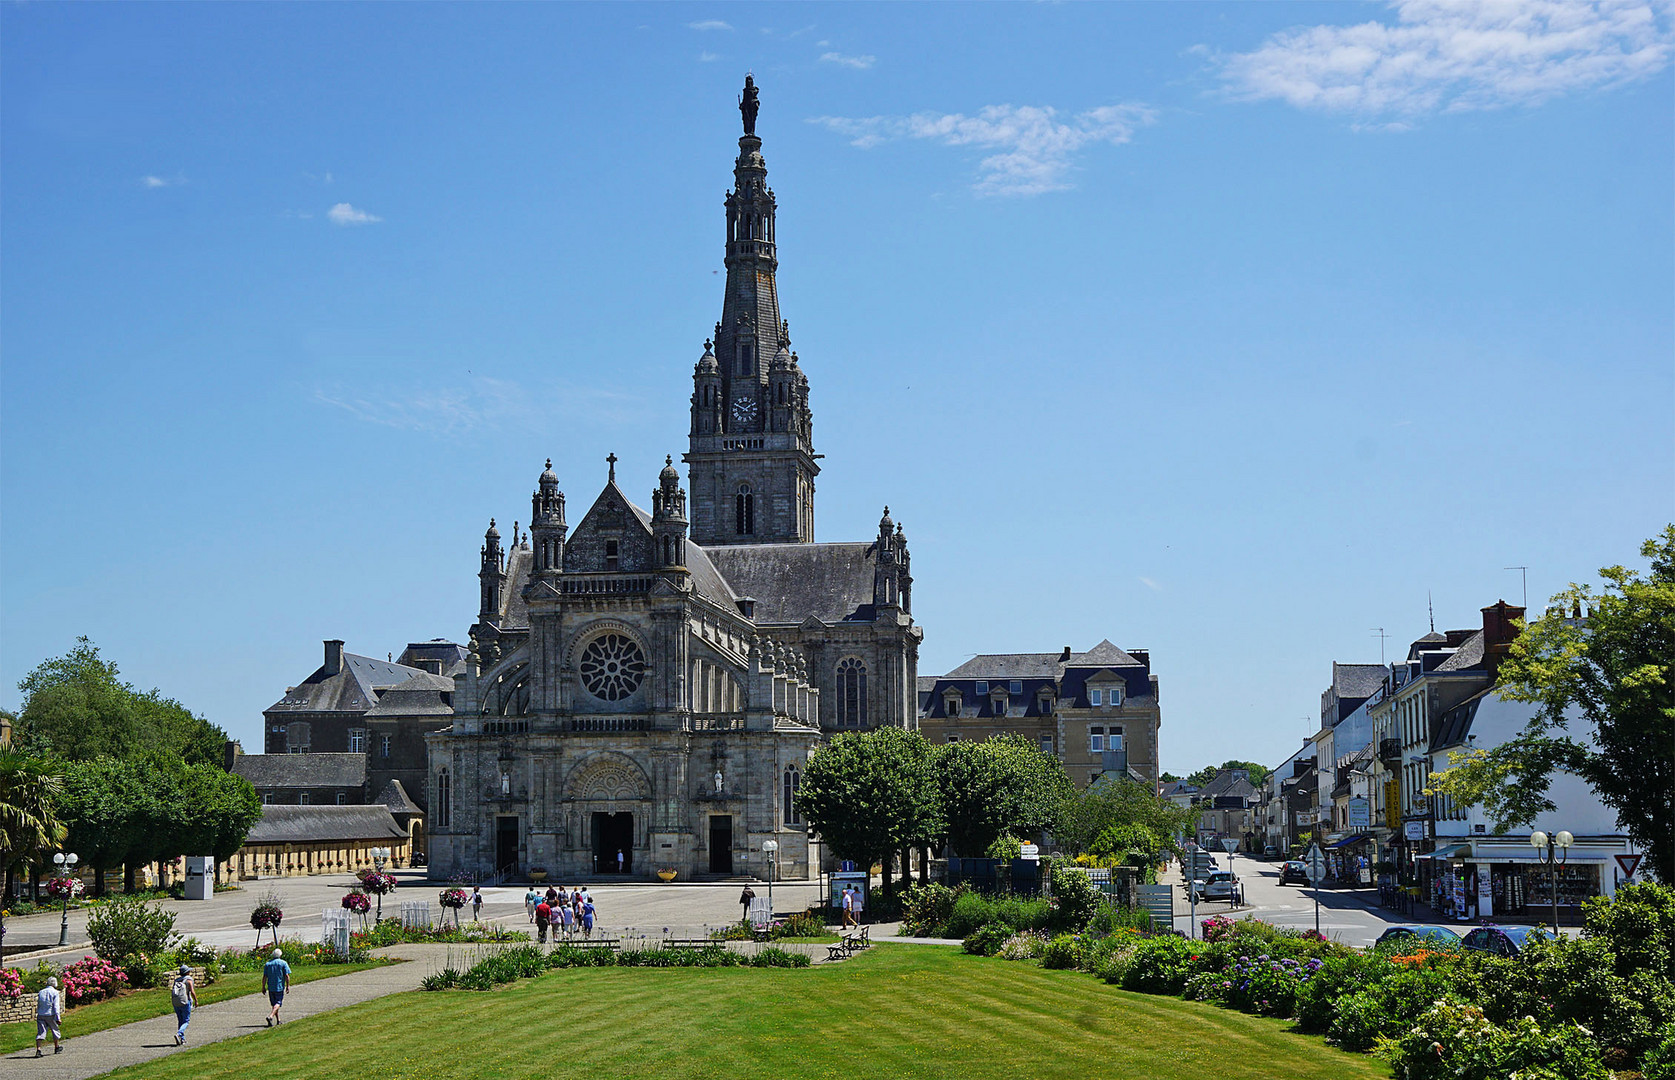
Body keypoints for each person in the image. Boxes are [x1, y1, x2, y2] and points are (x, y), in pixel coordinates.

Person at [170, 963, 198, 1045]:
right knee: (186, 1021)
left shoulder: (176, 980)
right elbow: (192, 991)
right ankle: (179, 1034)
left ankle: (182, 1039)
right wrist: (196, 1000)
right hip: (186, 1002)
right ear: (187, 972)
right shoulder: (189, 980)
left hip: (176, 1003)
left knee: (180, 1020)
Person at [35, 975, 62, 1057]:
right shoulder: (55, 993)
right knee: (55, 1030)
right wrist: (58, 1018)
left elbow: (39, 1003)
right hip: (50, 1015)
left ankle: (38, 1050)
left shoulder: (41, 992)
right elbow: (56, 1006)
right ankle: (56, 1047)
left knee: (41, 1032)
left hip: (41, 1014)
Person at [263, 948, 291, 1027]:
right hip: (279, 986)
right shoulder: (283, 963)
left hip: (271, 986)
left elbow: (265, 976)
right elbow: (286, 975)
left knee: (274, 1004)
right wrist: (288, 985)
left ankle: (278, 1020)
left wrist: (263, 986)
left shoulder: (268, 964)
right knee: (278, 1003)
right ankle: (271, 1016)